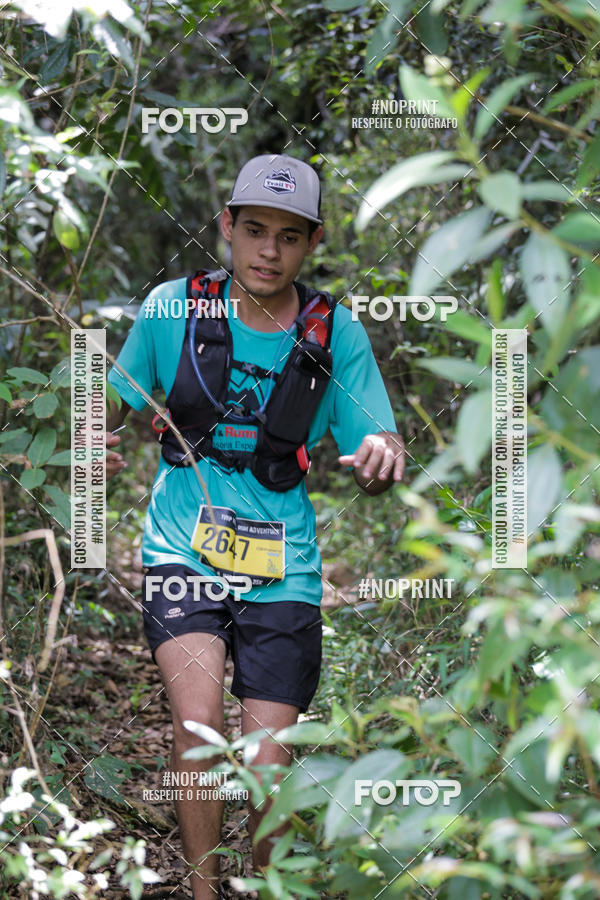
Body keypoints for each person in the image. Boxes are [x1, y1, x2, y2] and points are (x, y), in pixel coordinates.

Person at [105, 153, 404, 899]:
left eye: (290, 236)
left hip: (286, 567)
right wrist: (90, 453)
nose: (269, 251)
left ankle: (271, 889)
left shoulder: (336, 334)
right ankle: (206, 891)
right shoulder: (172, 308)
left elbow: (379, 445)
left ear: (312, 243)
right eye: (256, 230)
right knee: (201, 726)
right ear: (227, 227)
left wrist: (379, 457)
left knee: (269, 762)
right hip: (183, 549)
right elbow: (101, 411)